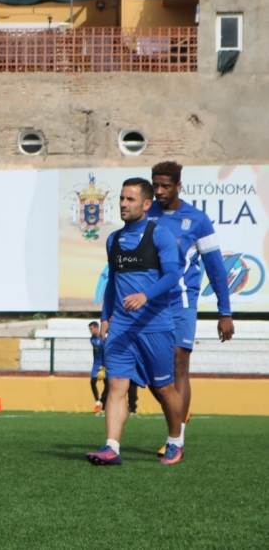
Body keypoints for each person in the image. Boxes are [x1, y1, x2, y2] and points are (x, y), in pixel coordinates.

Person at [87, 178, 185, 466]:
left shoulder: (160, 235)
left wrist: (145, 295)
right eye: (121, 198)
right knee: (116, 386)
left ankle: (175, 440)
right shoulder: (113, 239)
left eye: (130, 199)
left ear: (146, 204)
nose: (123, 204)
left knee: (164, 389)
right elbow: (113, 281)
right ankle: (111, 447)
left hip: (155, 327)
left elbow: (171, 276)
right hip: (121, 329)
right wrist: (105, 317)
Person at [148, 161, 235, 455]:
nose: (159, 191)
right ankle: (179, 414)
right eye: (155, 185)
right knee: (152, 374)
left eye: (165, 186)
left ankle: (177, 438)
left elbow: (216, 268)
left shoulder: (197, 220)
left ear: (178, 186)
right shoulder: (146, 215)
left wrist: (225, 312)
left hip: (181, 303)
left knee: (178, 365)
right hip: (150, 304)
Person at [89, 321, 107, 413]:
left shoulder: (103, 339)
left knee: (107, 384)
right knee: (92, 382)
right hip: (96, 364)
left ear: (96, 328)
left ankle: (105, 405)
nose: (90, 331)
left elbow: (106, 353)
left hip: (104, 364)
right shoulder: (91, 339)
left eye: (91, 329)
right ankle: (97, 403)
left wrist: (104, 366)